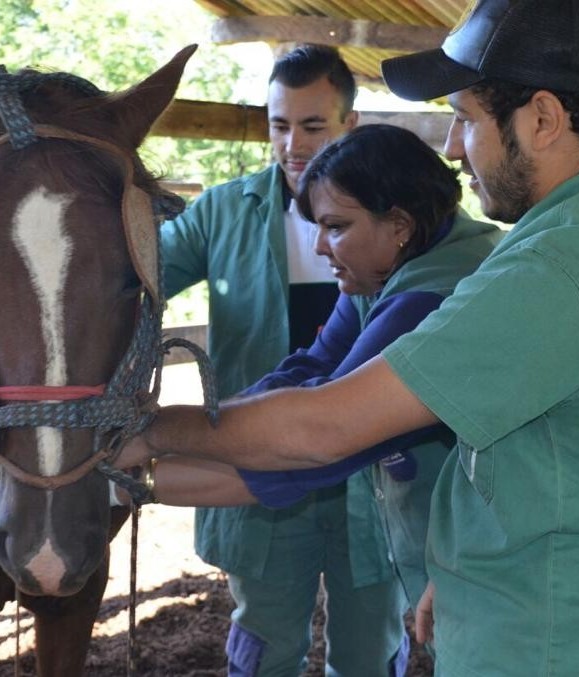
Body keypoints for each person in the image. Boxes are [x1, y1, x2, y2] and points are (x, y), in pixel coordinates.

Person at [126, 1, 579, 675]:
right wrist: (461, 567)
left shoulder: (548, 270)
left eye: (465, 117)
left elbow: (322, 432)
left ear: (540, 119)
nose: (451, 146)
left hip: (540, 646)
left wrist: (144, 430)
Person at [140, 124, 501, 612]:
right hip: (465, 555)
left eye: (336, 227)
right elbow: (309, 368)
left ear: (398, 225)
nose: (319, 248)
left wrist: (142, 458)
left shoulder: (429, 299)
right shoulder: (399, 267)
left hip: (501, 570)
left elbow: (318, 442)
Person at [160, 44, 410, 676]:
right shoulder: (220, 212)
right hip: (260, 481)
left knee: (367, 658)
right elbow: (133, 276)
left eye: (312, 125)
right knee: (264, 651)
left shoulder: (401, 220)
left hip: (375, 486)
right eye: (279, 125)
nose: (293, 144)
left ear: (350, 124)